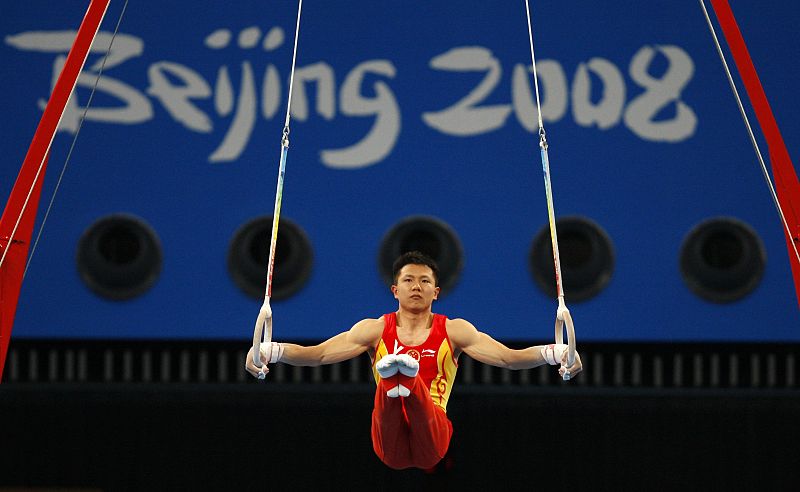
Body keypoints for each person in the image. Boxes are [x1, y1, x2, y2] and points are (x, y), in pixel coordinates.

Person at [245, 251, 582, 470]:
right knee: (386, 404)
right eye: (408, 280)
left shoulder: (455, 331)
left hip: (433, 436)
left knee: (421, 404)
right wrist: (267, 350)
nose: (416, 287)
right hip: (388, 444)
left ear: (437, 292)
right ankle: (397, 378)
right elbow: (316, 355)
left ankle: (403, 379)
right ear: (395, 290)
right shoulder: (374, 330)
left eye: (425, 281)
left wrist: (557, 353)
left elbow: (509, 359)